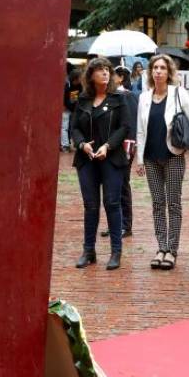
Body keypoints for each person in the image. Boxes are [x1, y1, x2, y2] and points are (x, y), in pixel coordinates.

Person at [135, 54, 189, 270]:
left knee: (173, 203)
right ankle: (161, 248)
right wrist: (139, 159)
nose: (158, 71)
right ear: (150, 72)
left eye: (163, 68)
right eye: (155, 67)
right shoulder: (144, 97)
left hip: (173, 156)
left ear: (169, 72)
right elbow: (140, 130)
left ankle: (172, 250)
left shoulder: (179, 93)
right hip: (150, 158)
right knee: (157, 204)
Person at [70, 57, 131, 271]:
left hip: (111, 158)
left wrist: (108, 146)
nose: (105, 73)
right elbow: (74, 128)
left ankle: (116, 251)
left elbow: (125, 127)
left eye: (107, 69)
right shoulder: (83, 99)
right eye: (100, 70)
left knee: (112, 203)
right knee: (90, 205)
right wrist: (82, 144)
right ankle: (89, 251)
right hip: (86, 159)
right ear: (91, 75)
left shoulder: (119, 98)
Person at [101, 65, 139, 239]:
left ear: (121, 77)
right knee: (111, 185)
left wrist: (129, 147)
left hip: (124, 146)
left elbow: (131, 123)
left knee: (122, 184)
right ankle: (115, 223)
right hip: (110, 145)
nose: (109, 77)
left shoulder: (128, 96)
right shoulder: (110, 95)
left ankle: (125, 224)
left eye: (113, 74)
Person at [61, 69, 81, 152]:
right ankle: (65, 145)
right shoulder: (67, 85)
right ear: (75, 78)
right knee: (64, 127)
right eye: (80, 78)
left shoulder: (79, 86)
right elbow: (64, 99)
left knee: (72, 126)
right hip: (65, 108)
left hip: (74, 109)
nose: (81, 79)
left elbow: (75, 99)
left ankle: (70, 143)